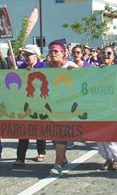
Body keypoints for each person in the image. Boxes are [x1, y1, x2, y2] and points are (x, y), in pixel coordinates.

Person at [48, 41, 79, 175]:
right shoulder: (45, 67)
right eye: (51, 51)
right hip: (50, 107)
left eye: (56, 51)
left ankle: (58, 163)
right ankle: (63, 158)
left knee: (60, 134)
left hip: (67, 107)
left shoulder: (70, 66)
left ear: (63, 53)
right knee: (54, 136)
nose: (53, 54)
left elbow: (85, 81)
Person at [13, 47, 47, 166]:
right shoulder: (21, 67)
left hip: (40, 101)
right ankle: (20, 158)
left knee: (40, 128)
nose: (26, 57)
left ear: (36, 56)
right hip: (25, 102)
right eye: (25, 54)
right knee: (24, 130)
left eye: (29, 54)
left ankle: (41, 152)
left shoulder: (43, 66)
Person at [96, 46, 117, 171]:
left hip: (114, 106)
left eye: (109, 53)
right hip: (98, 105)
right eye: (103, 53)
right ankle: (107, 158)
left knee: (111, 134)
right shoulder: (95, 70)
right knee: (99, 135)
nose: (106, 55)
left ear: (114, 56)